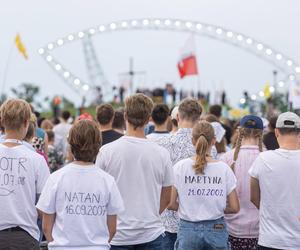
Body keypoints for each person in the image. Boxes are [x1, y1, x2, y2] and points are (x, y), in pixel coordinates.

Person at [96, 93, 174, 250]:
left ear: (125, 115)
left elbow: (98, 194)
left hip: (117, 235)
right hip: (152, 233)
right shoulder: (161, 153)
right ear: (148, 119)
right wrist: (149, 214)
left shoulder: (106, 152)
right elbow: (166, 197)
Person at [37, 120, 124, 250]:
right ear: (98, 145)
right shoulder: (108, 181)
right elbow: (112, 228)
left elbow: (46, 226)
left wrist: (57, 244)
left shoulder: (56, 178)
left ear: (71, 145)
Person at [169, 121, 239, 250]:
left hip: (188, 229)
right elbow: (234, 207)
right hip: (216, 228)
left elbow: (171, 203)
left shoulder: (180, 167)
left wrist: (187, 208)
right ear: (213, 141)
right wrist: (216, 208)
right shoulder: (224, 169)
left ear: (193, 140)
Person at [0, 99, 50, 250]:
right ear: (26, 123)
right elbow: (45, 206)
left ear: (2, 121)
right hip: (25, 235)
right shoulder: (37, 160)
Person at [249, 112, 300, 250]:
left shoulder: (263, 159)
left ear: (276, 132)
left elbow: (254, 197)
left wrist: (272, 210)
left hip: (270, 239)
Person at [156, 98, 202, 250]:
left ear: (177, 117)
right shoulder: (208, 148)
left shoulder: (163, 144)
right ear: (199, 119)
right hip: (196, 218)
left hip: (168, 220)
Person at [221, 115, 263, 249]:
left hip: (231, 228)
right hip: (260, 229)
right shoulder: (269, 158)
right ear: (261, 133)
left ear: (239, 131)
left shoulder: (226, 158)